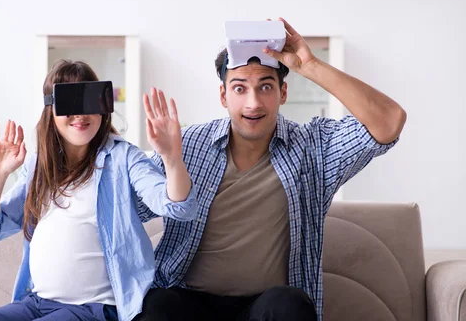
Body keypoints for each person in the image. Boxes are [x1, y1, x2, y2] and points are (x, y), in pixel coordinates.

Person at [136, 18, 407, 321]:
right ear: (224, 95)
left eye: (265, 86)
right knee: (157, 305)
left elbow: (389, 122)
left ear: (283, 93)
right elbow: (126, 210)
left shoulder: (311, 149)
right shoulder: (187, 145)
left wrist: (310, 65)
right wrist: (170, 161)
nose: (253, 103)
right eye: (240, 88)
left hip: (265, 309)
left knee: (289, 304)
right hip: (187, 302)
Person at [0, 59, 197, 321]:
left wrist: (172, 159)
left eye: (89, 102)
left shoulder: (123, 158)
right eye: (70, 103)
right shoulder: (39, 166)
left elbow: (178, 206)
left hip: (94, 309)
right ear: (51, 108)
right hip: (36, 303)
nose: (81, 115)